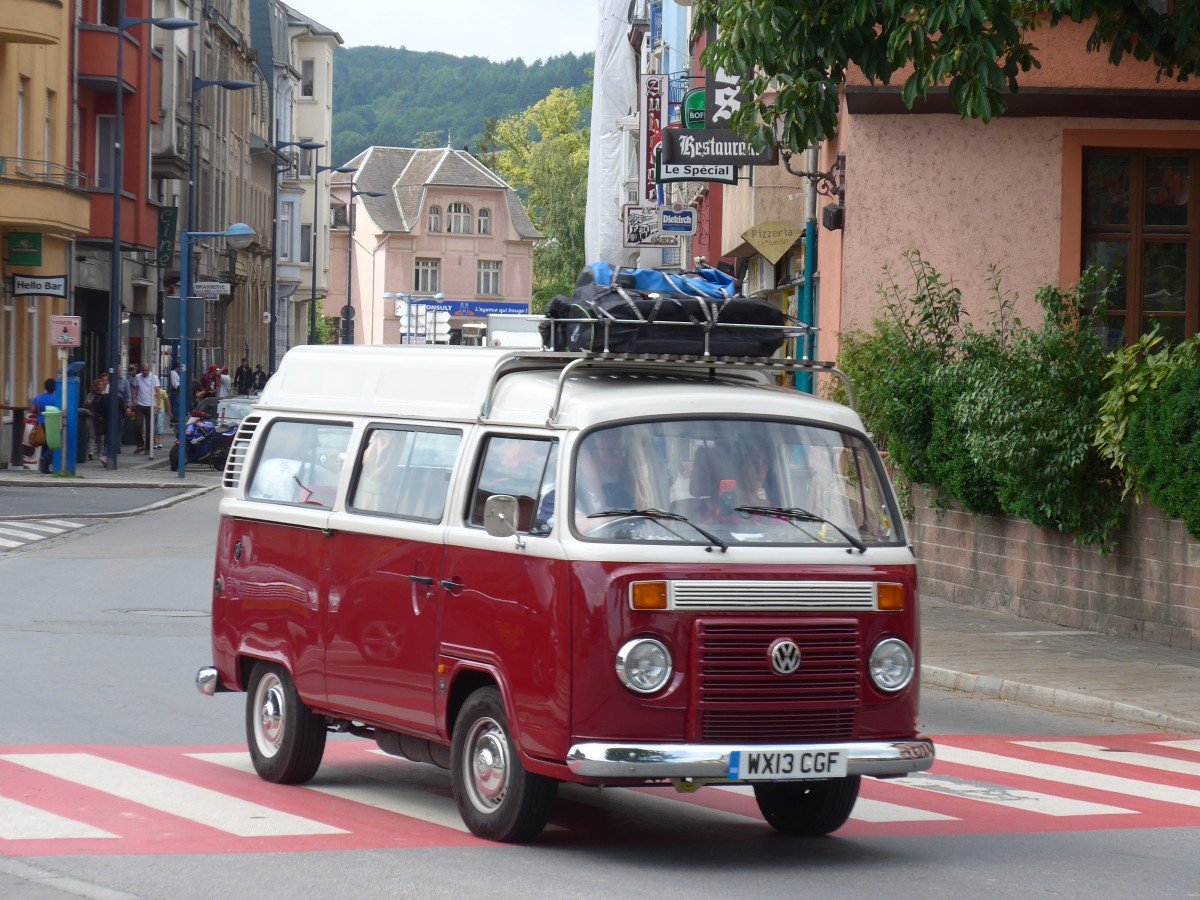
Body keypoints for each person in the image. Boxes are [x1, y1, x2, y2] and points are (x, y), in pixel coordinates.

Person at [30, 377, 57, 474]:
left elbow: (33, 409)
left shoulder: (38, 397)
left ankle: (44, 468)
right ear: (55, 388)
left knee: (43, 443)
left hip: (39, 422)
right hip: (52, 423)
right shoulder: (56, 398)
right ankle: (44, 459)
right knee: (51, 445)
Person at [131, 362, 159, 453]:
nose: (145, 372)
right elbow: (134, 388)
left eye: (146, 370)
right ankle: (140, 445)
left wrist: (158, 403)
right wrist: (134, 399)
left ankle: (147, 448)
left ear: (149, 370)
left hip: (150, 404)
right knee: (137, 424)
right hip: (140, 404)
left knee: (149, 428)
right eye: (143, 370)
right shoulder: (138, 377)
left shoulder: (154, 377)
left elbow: (157, 391)